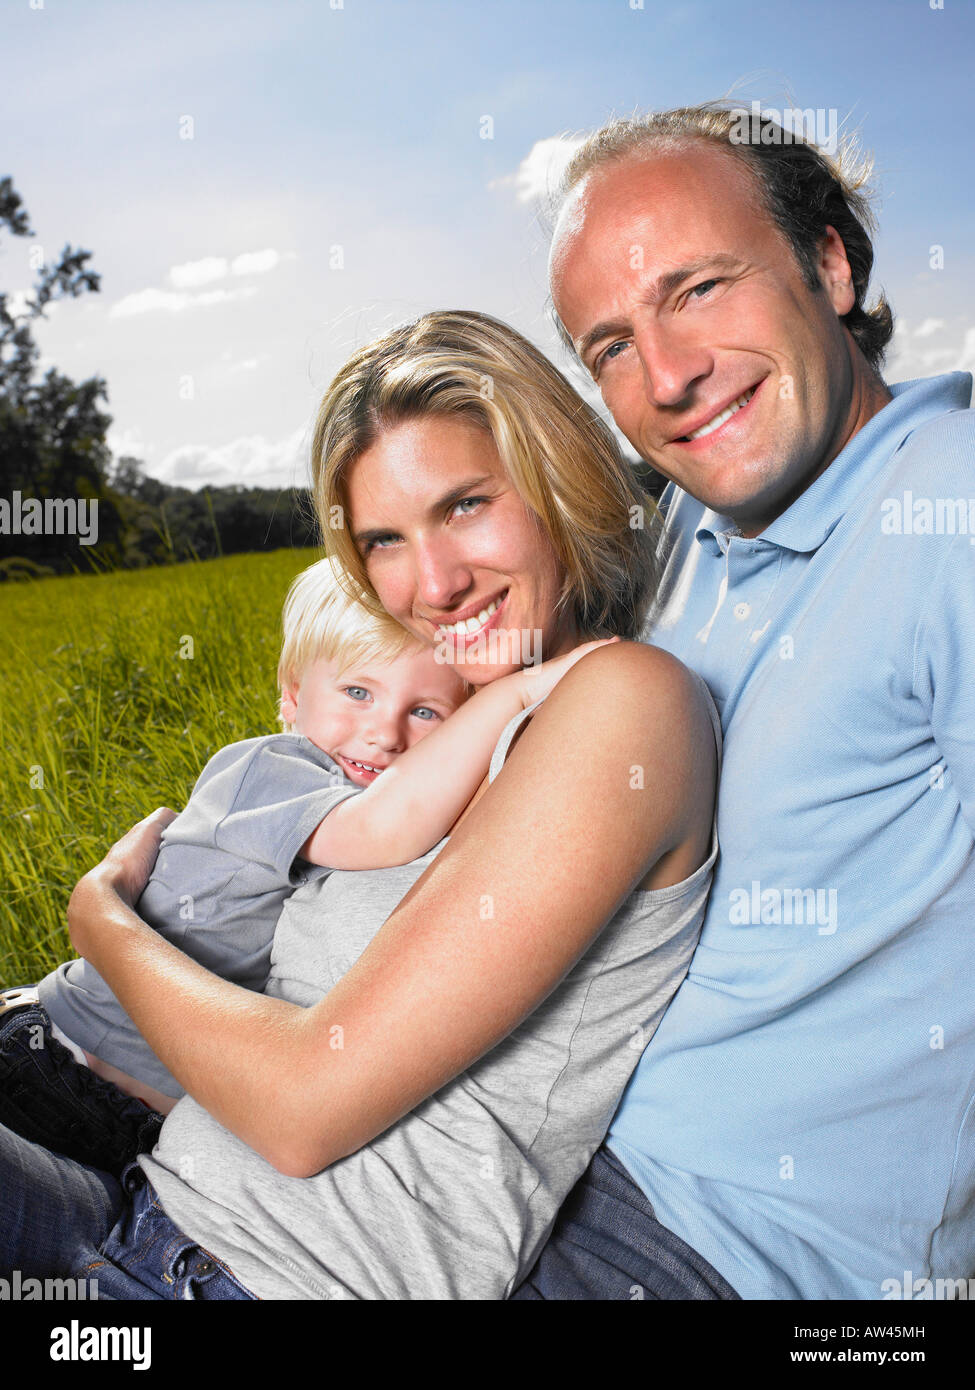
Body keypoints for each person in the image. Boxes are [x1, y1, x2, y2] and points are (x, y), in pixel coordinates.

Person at [0, 310, 720, 1299]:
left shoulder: (625, 705)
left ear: (560, 479)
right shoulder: (445, 723)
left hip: (234, 1277)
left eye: (467, 503)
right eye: (385, 537)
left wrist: (103, 920)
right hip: (146, 1202)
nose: (434, 582)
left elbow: (302, 1111)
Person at [509, 100, 975, 1301]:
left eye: (701, 288)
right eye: (609, 344)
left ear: (831, 262)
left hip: (732, 1249)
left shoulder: (952, 512)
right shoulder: (689, 522)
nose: (666, 376)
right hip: (547, 1156)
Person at [0, 554, 605, 1172]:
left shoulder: (356, 798)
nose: (385, 733)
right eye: (357, 691)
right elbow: (385, 828)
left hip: (134, 1115)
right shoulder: (272, 771)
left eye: (426, 712)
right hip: (59, 1069)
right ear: (292, 693)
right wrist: (522, 689)